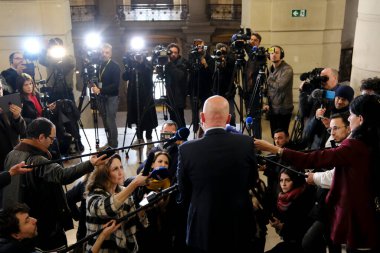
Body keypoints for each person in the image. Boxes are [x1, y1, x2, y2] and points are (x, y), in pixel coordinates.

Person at [255, 94, 380, 252]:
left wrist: (274, 149)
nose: (349, 119)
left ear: (360, 119)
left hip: (356, 213)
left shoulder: (354, 146)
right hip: (366, 212)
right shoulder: (370, 141)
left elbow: (314, 158)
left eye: (351, 115)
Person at [1, 117, 106, 251]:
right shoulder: (36, 159)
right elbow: (62, 175)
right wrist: (91, 163)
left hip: (24, 222)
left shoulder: (12, 153)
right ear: (41, 137)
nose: (53, 142)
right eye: (51, 138)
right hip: (44, 226)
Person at [177, 95, 258, 252]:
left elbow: (184, 191)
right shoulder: (246, 143)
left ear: (202, 117)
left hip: (203, 227)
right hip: (238, 224)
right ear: (228, 119)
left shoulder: (186, 149)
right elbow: (252, 180)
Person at [302, 112, 351, 253]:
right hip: (325, 202)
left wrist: (315, 177)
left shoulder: (351, 147)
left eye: (336, 128)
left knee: (309, 242)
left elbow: (337, 175)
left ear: (348, 128)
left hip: (337, 206)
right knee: (331, 242)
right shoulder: (332, 141)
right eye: (330, 129)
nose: (332, 132)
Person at [85, 153, 148, 253]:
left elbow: (131, 226)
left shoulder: (123, 191)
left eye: (121, 167)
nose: (121, 172)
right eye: (115, 169)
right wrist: (134, 184)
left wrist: (142, 209)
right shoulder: (93, 195)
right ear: (104, 173)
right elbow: (105, 209)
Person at [266, 169, 314, 253]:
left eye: (287, 180)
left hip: (304, 245)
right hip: (290, 241)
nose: (283, 184)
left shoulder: (304, 197)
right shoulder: (282, 198)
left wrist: (282, 227)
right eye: (281, 180)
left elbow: (303, 229)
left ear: (295, 181)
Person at [123, 50, 158, 147]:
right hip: (134, 96)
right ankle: (139, 138)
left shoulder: (147, 64)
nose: (137, 56)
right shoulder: (131, 65)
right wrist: (128, 66)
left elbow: (148, 74)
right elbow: (125, 77)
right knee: (137, 117)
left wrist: (141, 62)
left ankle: (149, 138)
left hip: (146, 96)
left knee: (148, 116)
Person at [303, 85, 354, 149]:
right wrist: (316, 118)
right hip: (315, 148)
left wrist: (329, 128)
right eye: (338, 98)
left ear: (349, 101)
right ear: (335, 97)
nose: (340, 101)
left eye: (343, 99)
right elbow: (308, 132)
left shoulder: (350, 117)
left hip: (331, 151)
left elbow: (339, 142)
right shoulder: (325, 107)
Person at [91, 43, 121, 149]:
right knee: (104, 119)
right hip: (101, 96)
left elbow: (115, 85)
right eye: (102, 52)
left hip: (112, 97)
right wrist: (94, 86)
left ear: (110, 54)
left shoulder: (115, 66)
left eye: (106, 52)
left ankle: (114, 144)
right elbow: (99, 80)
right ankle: (109, 142)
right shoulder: (100, 65)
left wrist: (100, 89)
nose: (104, 54)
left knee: (110, 120)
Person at [264, 45, 294, 137]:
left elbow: (279, 86)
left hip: (283, 109)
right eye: (271, 53)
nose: (274, 55)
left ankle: (284, 151)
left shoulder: (287, 69)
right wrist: (266, 103)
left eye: (276, 53)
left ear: (281, 55)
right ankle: (275, 151)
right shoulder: (269, 68)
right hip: (272, 108)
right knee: (274, 135)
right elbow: (268, 89)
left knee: (282, 136)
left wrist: (267, 79)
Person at [188, 39, 214, 133]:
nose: (199, 47)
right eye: (197, 46)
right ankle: (195, 129)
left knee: (205, 110)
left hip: (206, 88)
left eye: (201, 45)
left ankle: (205, 130)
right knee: (194, 111)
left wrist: (205, 63)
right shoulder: (192, 56)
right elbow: (191, 70)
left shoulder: (208, 57)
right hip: (194, 88)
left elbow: (212, 72)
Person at [0, 80, 26, 174]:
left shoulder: (8, 105)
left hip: (15, 155)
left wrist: (17, 116)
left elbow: (22, 131)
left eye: (0, 88)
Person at [39, 37, 76, 102]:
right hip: (52, 90)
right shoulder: (49, 59)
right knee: (53, 111)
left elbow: (71, 63)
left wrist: (62, 54)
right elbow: (41, 60)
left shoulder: (68, 58)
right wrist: (44, 48)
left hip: (66, 90)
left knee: (70, 110)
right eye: (53, 47)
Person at [244, 32, 264, 138]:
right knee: (249, 118)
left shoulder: (260, 56)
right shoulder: (249, 59)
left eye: (255, 40)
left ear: (259, 43)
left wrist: (248, 48)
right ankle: (251, 138)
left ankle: (258, 142)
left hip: (256, 93)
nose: (252, 42)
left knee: (256, 119)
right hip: (247, 92)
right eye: (251, 40)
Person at [211, 43, 236, 126]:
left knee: (230, 115)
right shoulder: (213, 60)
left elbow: (231, 73)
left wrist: (225, 61)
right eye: (219, 51)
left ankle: (232, 133)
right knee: (217, 116)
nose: (221, 54)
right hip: (216, 92)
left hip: (228, 92)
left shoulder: (230, 61)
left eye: (223, 51)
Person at [164, 43, 188, 128]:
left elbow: (179, 76)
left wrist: (169, 64)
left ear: (178, 53)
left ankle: (182, 137)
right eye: (171, 52)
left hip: (179, 95)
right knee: (172, 118)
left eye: (176, 52)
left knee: (179, 117)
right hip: (169, 94)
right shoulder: (165, 62)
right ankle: (174, 136)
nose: (173, 54)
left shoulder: (183, 62)